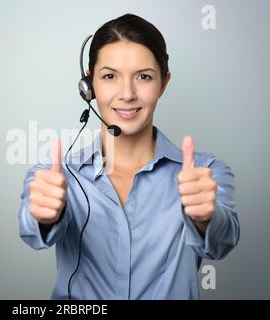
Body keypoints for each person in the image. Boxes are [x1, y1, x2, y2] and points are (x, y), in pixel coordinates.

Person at [18, 13, 240, 300]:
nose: (127, 94)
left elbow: (223, 242)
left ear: (163, 83)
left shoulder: (205, 172)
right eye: (110, 76)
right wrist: (43, 216)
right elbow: (31, 231)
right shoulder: (54, 176)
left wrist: (206, 218)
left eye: (144, 77)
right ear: (89, 87)